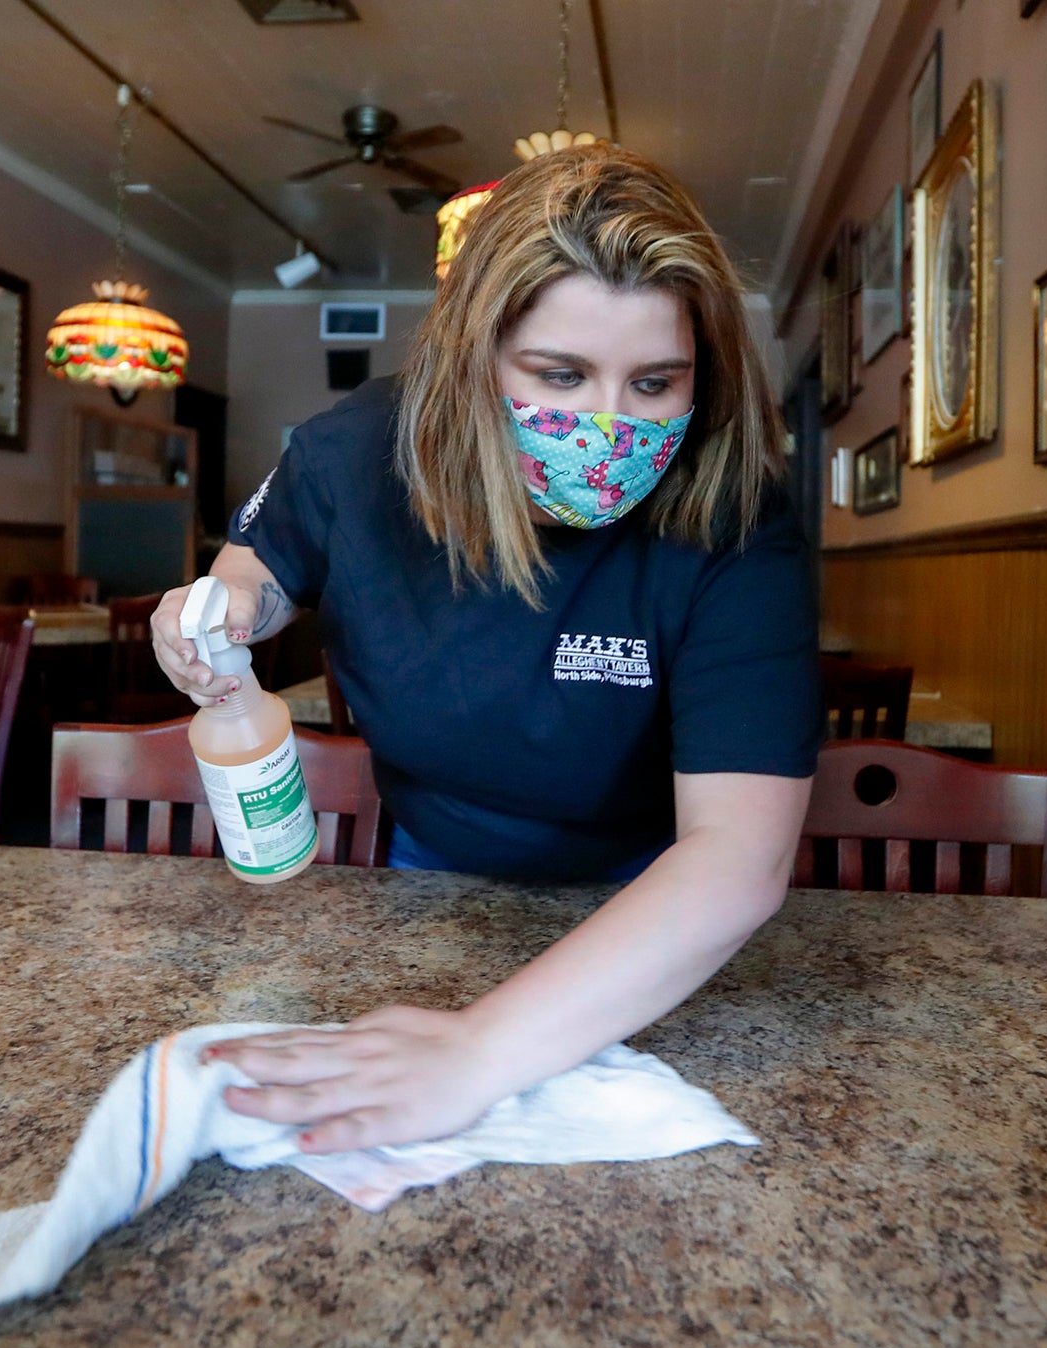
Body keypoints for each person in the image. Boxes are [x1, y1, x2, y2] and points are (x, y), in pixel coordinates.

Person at [150, 143, 820, 1155]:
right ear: (475, 357)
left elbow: (736, 853)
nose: (607, 422)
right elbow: (260, 565)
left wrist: (478, 1052)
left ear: (703, 374)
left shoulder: (736, 509)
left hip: (655, 901)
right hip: (425, 870)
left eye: (654, 382)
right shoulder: (361, 444)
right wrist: (217, 617)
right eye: (560, 375)